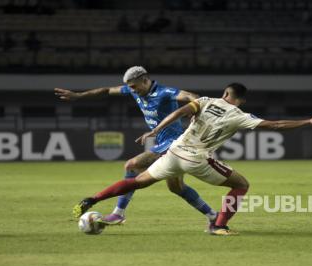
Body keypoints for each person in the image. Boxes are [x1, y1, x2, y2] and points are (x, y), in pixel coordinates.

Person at [73, 83, 312, 235]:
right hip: (195, 158)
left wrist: (154, 130)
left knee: (138, 181)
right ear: (240, 98)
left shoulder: (205, 101)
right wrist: (308, 121)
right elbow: (276, 125)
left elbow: (181, 112)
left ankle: (93, 198)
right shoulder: (239, 115)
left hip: (173, 152)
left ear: (225, 92)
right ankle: (218, 226)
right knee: (240, 184)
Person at [55, 66, 218, 228]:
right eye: (129, 87)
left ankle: (118, 214)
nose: (132, 90)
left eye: (134, 86)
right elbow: (106, 91)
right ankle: (213, 216)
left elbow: (192, 96)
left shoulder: (164, 92)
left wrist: (196, 111)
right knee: (176, 187)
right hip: (167, 144)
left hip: (175, 142)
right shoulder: (133, 90)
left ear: (145, 80)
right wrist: (78, 95)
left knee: (132, 166)